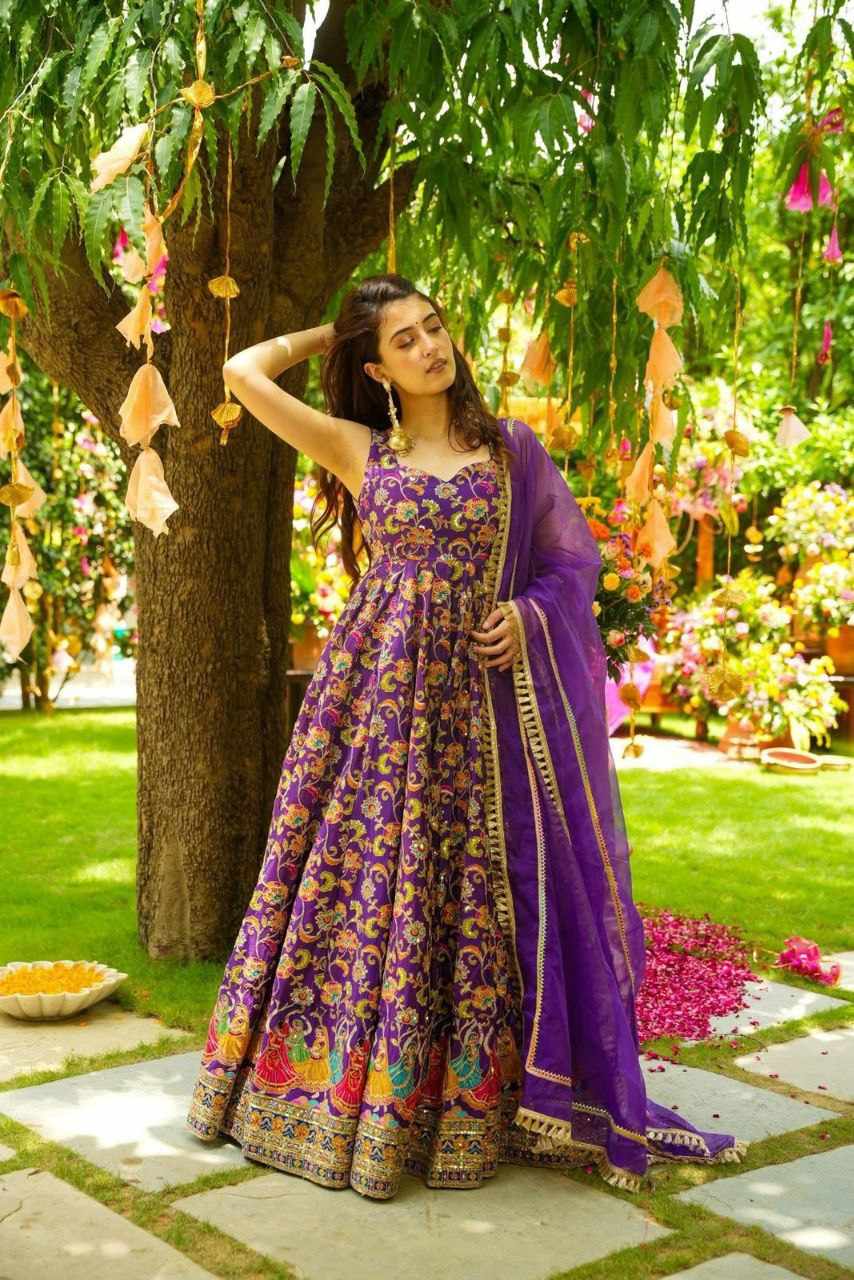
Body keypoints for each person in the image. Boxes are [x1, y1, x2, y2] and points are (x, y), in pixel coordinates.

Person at [186, 271, 748, 1200]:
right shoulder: (361, 448)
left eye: (434, 326)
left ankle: (471, 1102)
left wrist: (529, 616)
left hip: (483, 716)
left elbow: (572, 562)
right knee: (369, 879)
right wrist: (333, 333)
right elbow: (242, 373)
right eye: (403, 339)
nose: (430, 346)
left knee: (473, 890)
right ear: (377, 367)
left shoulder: (511, 450)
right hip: (374, 708)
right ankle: (338, 1093)